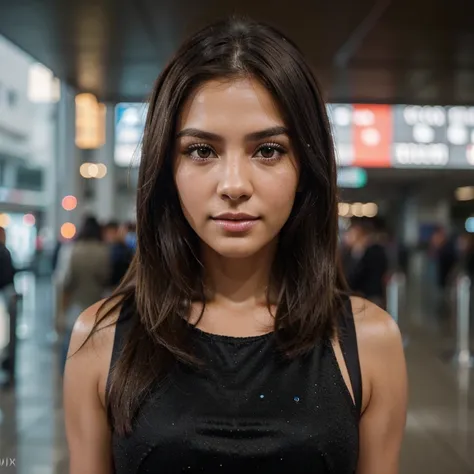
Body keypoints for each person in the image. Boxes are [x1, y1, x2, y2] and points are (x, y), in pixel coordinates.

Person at [64, 18, 407, 474]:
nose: (233, 185)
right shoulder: (101, 339)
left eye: (267, 150)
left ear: (307, 167)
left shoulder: (369, 342)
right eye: (202, 151)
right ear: (167, 169)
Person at [55, 215, 110, 371]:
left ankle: (66, 374)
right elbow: (105, 277)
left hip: (75, 303)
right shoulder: (103, 250)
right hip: (96, 303)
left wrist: (61, 311)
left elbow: (67, 281)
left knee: (69, 341)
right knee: (93, 344)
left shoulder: (73, 249)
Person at [343, 217, 389, 308]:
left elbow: (357, 274)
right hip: (369, 295)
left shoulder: (372, 251)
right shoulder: (373, 250)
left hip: (369, 297)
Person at [103, 221, 134, 288]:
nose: (109, 236)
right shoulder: (107, 249)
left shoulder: (121, 250)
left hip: (118, 286)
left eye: (111, 233)